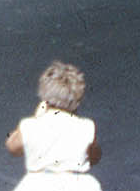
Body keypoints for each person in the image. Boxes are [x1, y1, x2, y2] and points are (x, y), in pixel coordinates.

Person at [5, 60, 101, 190]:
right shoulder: (86, 127)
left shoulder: (31, 125)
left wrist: (36, 116)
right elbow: (94, 158)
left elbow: (12, 147)